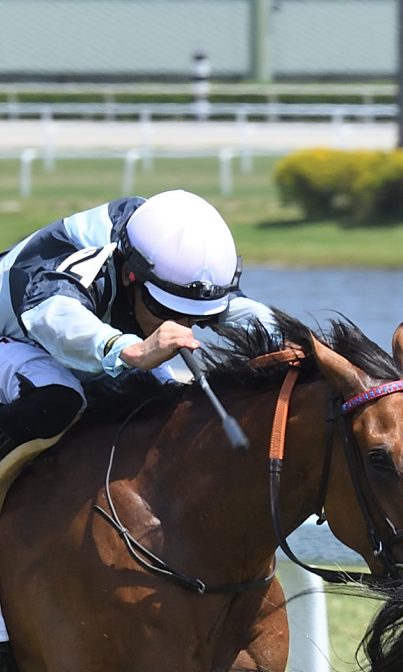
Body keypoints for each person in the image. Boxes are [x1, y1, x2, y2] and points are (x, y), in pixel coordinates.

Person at [0, 189, 277, 466]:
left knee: (167, 402)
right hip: (22, 331)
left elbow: (238, 311)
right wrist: (132, 349)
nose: (180, 326)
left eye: (193, 317)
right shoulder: (78, 273)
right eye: (166, 310)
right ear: (127, 274)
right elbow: (53, 316)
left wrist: (297, 342)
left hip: (57, 335)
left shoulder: (165, 251)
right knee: (58, 400)